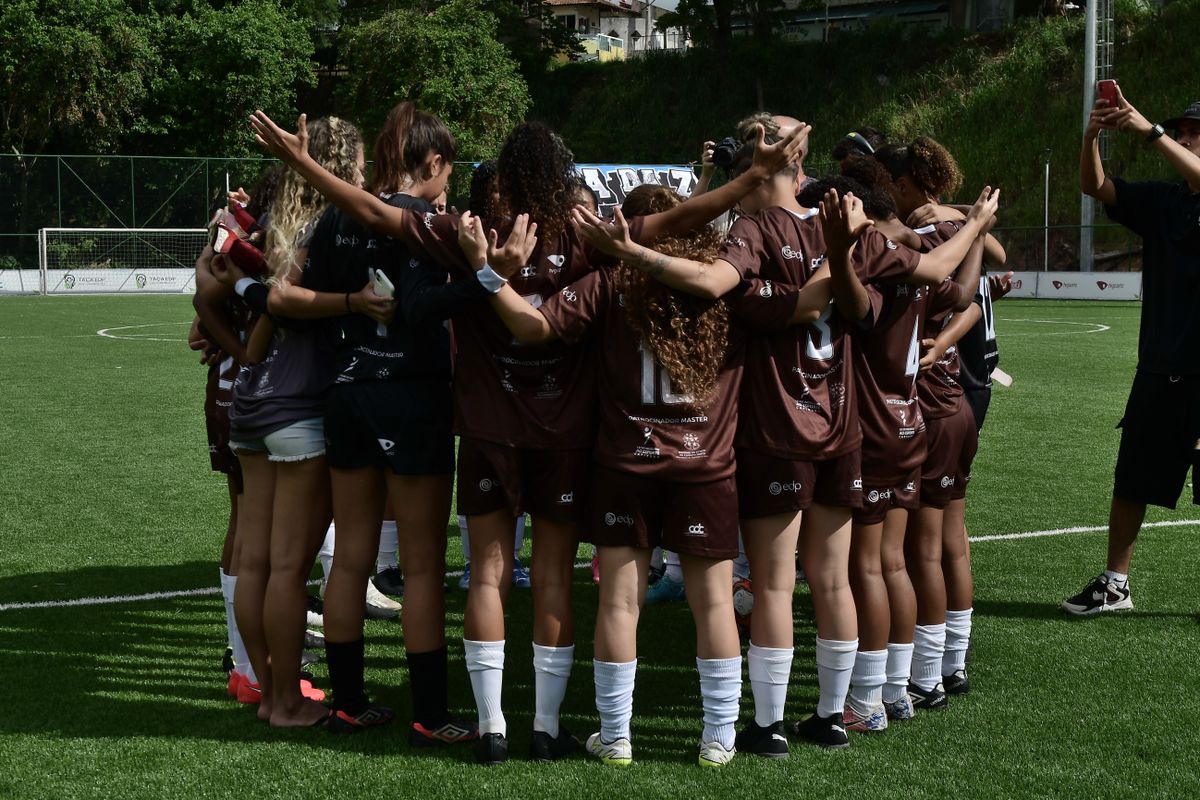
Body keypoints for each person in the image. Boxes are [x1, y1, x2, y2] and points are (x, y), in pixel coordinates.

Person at [249, 108, 806, 763]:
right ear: (561, 175)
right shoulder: (584, 232)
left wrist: (302, 164)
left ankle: (491, 728)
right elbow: (679, 219)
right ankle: (545, 727)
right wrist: (749, 181)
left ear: (505, 178)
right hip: (564, 436)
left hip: (488, 429)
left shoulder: (471, 231)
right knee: (552, 580)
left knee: (484, 578)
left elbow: (376, 212)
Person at [1062, 90, 1200, 616]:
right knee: (1132, 479)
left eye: (1194, 132)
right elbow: (1095, 186)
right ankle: (1115, 584)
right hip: (1161, 368)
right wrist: (1091, 138)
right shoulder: (1166, 202)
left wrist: (1150, 130)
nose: (1185, 136)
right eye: (1181, 130)